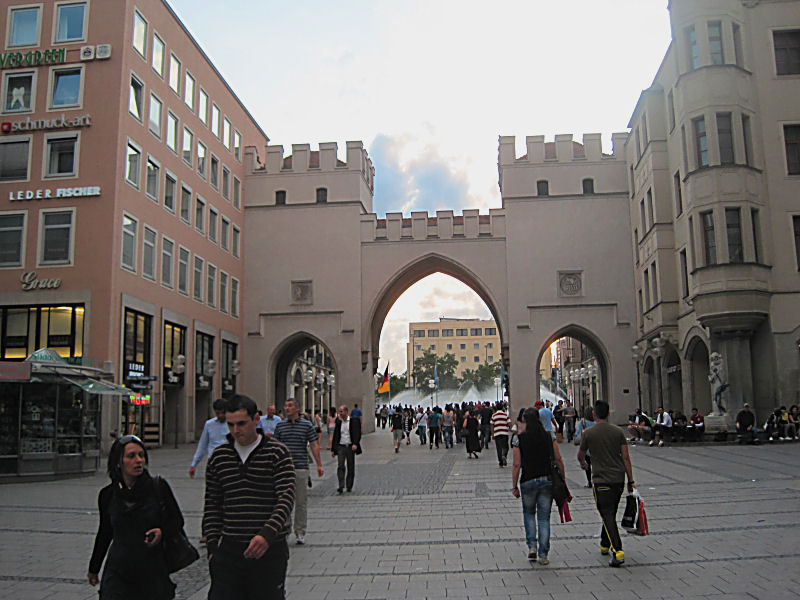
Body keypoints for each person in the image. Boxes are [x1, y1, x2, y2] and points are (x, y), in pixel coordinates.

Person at [203, 394, 295, 600]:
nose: (236, 430)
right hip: (229, 549)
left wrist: (266, 534)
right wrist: (212, 547)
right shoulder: (219, 457)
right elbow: (212, 504)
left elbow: (286, 498)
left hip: (269, 550)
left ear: (256, 419)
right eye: (231, 424)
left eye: (241, 424)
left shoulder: (277, 453)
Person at [88, 435, 185, 598]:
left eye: (141, 455)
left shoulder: (158, 488)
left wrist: (162, 532)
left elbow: (177, 521)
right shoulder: (108, 495)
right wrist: (94, 567)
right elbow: (105, 532)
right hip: (118, 570)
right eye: (131, 456)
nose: (139, 460)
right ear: (118, 462)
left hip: (151, 570)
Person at [578, 401, 635, 568]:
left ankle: (618, 551)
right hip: (618, 479)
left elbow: (580, 454)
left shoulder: (589, 433)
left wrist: (583, 464)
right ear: (608, 413)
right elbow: (626, 457)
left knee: (607, 514)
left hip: (601, 480)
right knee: (610, 512)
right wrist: (631, 481)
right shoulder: (618, 432)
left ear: (594, 414)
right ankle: (604, 544)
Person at [511, 407, 565, 565]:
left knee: (528, 514)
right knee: (543, 518)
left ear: (525, 421)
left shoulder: (518, 439)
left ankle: (532, 547)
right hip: (546, 479)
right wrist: (563, 478)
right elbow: (558, 459)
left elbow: (516, 464)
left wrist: (514, 486)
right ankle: (544, 554)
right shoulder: (549, 437)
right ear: (540, 419)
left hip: (527, 480)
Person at [273, 398, 324, 546]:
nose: (286, 408)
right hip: (283, 468)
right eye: (286, 406)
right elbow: (275, 446)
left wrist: (319, 464)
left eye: (290, 406)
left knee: (300, 501)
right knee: (283, 500)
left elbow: (314, 445)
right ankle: (285, 528)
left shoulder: (306, 426)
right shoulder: (280, 426)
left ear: (297, 408)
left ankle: (300, 531)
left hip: (301, 467)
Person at [189, 398, 229, 478]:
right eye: (218, 413)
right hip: (213, 461)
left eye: (223, 413)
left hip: (228, 460)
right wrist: (194, 464)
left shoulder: (233, 424)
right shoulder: (209, 424)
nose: (220, 415)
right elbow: (202, 445)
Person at [331, 405, 362, 493]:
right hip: (341, 446)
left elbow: (357, 433)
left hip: (350, 446)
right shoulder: (339, 422)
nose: (340, 413)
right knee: (340, 466)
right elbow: (336, 436)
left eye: (341, 411)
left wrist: (355, 443)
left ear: (346, 412)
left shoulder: (353, 421)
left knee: (350, 466)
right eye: (339, 411)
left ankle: (349, 485)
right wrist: (333, 449)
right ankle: (341, 486)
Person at [575, 407, 596, 487]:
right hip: (595, 446)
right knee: (595, 465)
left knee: (587, 464)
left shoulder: (583, 422)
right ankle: (595, 479)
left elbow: (578, 433)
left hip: (586, 447)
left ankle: (589, 481)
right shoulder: (596, 422)